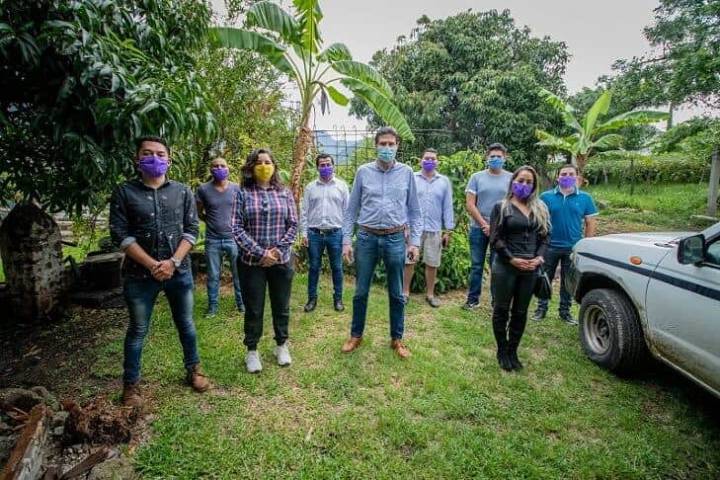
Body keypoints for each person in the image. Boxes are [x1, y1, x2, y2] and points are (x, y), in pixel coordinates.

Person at [109, 136, 210, 407]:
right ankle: (131, 385)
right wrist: (152, 264)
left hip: (179, 272)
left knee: (186, 324)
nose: (154, 158)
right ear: (137, 159)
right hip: (139, 275)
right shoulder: (124, 193)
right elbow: (120, 234)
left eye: (160, 154)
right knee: (137, 330)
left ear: (169, 160)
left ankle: (194, 370)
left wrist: (172, 262)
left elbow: (192, 230)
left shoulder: (182, 192)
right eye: (147, 153)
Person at [341, 127, 422, 359]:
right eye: (383, 144)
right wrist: (346, 241)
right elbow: (351, 210)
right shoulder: (363, 172)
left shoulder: (407, 173)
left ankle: (397, 339)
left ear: (397, 146)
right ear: (376, 145)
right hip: (366, 237)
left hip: (395, 238)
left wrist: (414, 242)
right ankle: (356, 335)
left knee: (397, 293)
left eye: (391, 144)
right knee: (360, 291)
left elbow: (415, 211)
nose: (387, 148)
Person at [231, 148, 297, 373]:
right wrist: (261, 253)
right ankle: (252, 351)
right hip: (251, 263)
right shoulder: (242, 194)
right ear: (251, 167)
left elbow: (293, 225)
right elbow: (236, 227)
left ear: (274, 166)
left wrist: (276, 252)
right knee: (254, 308)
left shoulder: (285, 193)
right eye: (259, 162)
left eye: (268, 162)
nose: (264, 166)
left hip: (281, 261)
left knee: (281, 305)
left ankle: (281, 345)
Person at [489, 166, 550, 371]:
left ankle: (513, 350)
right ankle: (502, 350)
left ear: (534, 186)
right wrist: (512, 259)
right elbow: (495, 238)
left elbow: (545, 236)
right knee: (501, 310)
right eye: (520, 180)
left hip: (530, 269)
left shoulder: (540, 208)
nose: (524, 185)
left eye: (528, 182)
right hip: (505, 267)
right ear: (513, 182)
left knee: (521, 312)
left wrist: (539, 257)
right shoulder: (501, 207)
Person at [533, 164, 598, 324]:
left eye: (570, 174)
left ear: (577, 177)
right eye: (563, 174)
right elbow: (538, 220)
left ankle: (565, 312)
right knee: (544, 278)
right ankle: (541, 309)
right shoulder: (546, 197)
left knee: (568, 282)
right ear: (558, 177)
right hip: (549, 246)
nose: (567, 177)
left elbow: (590, 222)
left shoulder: (585, 198)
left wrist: (586, 245)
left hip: (573, 247)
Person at [402, 148, 454, 307]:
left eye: (433, 159)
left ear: (437, 162)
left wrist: (448, 230)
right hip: (413, 228)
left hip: (434, 228)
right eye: (426, 158)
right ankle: (405, 293)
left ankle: (430, 295)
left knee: (432, 263)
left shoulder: (444, 181)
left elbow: (447, 206)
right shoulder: (412, 178)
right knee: (409, 261)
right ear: (420, 160)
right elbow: (404, 203)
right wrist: (405, 225)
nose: (429, 161)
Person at [463, 143, 513, 310]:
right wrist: (484, 224)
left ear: (505, 158)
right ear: (487, 158)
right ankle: (472, 299)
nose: (495, 159)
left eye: (499, 156)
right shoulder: (476, 177)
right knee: (476, 265)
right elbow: (470, 204)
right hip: (478, 228)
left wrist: (496, 226)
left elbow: (513, 204)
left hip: (501, 229)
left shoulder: (511, 178)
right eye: (492, 156)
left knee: (497, 266)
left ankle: (496, 301)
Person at [300, 153, 349, 313]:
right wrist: (304, 234)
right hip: (314, 233)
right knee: (314, 267)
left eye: (328, 164)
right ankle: (311, 299)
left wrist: (347, 236)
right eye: (322, 165)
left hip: (336, 233)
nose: (326, 167)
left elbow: (347, 212)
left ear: (333, 166)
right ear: (317, 167)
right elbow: (304, 212)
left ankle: (338, 299)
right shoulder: (310, 187)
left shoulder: (341, 186)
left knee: (337, 267)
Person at [196, 157, 244, 317]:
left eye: (222, 165)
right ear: (210, 169)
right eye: (215, 166)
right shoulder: (203, 189)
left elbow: (242, 211)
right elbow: (198, 211)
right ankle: (212, 307)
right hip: (213, 239)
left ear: (228, 168)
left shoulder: (237, 189)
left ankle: (241, 304)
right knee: (213, 276)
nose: (219, 168)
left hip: (234, 239)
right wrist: (209, 221)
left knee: (239, 274)